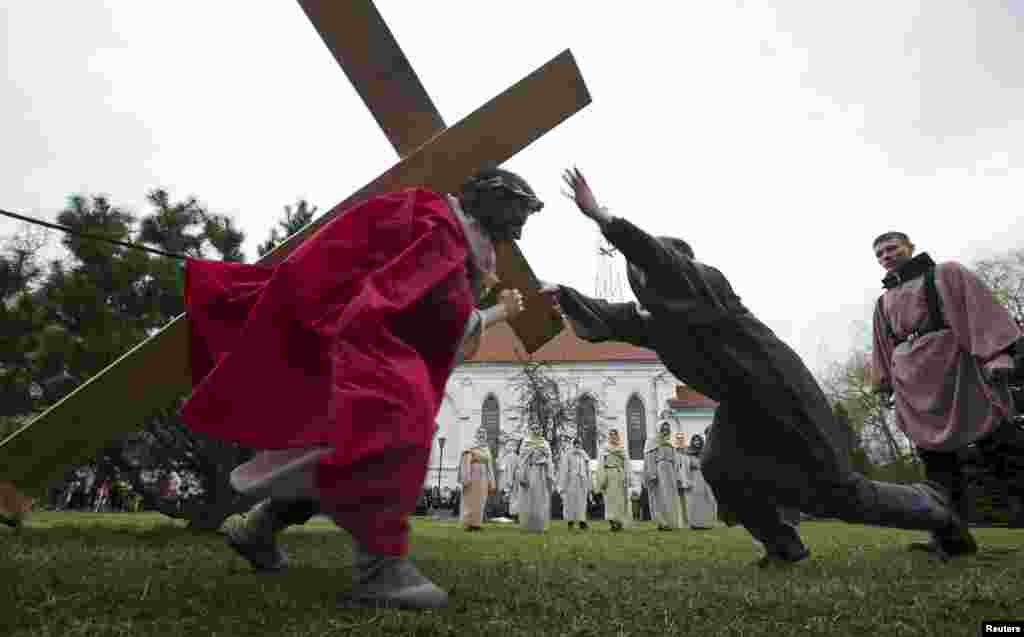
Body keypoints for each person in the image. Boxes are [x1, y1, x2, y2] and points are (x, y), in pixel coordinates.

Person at [543, 167, 975, 565]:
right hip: (742, 403)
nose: (642, 279)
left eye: (647, 267)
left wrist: (601, 216)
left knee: (844, 495)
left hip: (783, 392)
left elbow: (659, 260)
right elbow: (613, 316)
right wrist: (560, 293)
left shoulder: (707, 286)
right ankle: (783, 544)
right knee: (719, 466)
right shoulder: (661, 324)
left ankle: (938, 510)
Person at [182, 166, 541, 609]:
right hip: (366, 356)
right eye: (518, 211)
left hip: (365, 353)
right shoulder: (438, 233)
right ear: (489, 199)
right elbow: (414, 311)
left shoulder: (454, 239)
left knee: (340, 457)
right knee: (389, 433)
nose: (522, 226)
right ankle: (379, 570)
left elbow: (431, 317)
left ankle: (258, 529)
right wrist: (495, 315)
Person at [871, 231, 1024, 548]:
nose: (886, 255)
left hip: (958, 372)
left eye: (892, 248)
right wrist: (884, 384)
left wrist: (999, 354)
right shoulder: (882, 302)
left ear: (909, 248)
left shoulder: (947, 273)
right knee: (938, 469)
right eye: (880, 253)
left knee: (1002, 451)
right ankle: (951, 540)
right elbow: (882, 346)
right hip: (913, 385)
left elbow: (981, 310)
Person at [644, 422, 685, 530]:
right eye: (663, 428)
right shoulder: (652, 442)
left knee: (671, 498)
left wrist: (678, 476)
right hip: (659, 472)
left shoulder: (670, 443)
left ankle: (671, 521)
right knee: (660, 498)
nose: (666, 430)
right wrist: (652, 474)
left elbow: (676, 462)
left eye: (667, 428)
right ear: (659, 429)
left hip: (670, 472)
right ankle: (662, 522)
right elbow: (649, 459)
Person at [515, 430, 555, 532]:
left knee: (541, 498)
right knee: (529, 498)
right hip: (530, 471)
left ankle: (540, 525)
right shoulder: (526, 442)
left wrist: (549, 472)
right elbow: (522, 458)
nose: (537, 431)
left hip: (541, 472)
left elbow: (550, 459)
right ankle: (528, 524)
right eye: (534, 428)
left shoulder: (545, 443)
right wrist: (522, 474)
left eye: (539, 429)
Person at [457, 427, 496, 531]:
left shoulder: (486, 448)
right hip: (473, 475)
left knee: (481, 500)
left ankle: (477, 523)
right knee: (470, 500)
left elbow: (490, 465)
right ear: (476, 434)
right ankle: (468, 523)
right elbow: (466, 462)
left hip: (483, 477)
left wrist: (492, 481)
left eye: (483, 433)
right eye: (479, 433)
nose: (482, 435)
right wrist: (466, 478)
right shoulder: (470, 446)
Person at [593, 428, 632, 531]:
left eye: (615, 434)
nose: (613, 436)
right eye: (611, 435)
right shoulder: (604, 449)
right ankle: (612, 521)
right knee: (610, 500)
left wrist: (627, 477)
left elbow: (627, 464)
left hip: (620, 475)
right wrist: (601, 479)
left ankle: (619, 522)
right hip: (609, 476)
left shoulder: (622, 448)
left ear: (617, 436)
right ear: (609, 437)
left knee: (620, 500)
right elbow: (601, 465)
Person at [680, 434, 717, 529]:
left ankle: (706, 523)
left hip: (705, 478)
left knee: (706, 500)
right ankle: (695, 523)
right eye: (695, 441)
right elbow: (685, 468)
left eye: (698, 440)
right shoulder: (687, 454)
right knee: (694, 501)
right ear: (692, 442)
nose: (697, 442)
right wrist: (687, 480)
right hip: (694, 478)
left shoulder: (705, 453)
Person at [558, 438, 592, 530]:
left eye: (579, 444)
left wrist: (589, 483)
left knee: (582, 502)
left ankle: (582, 521)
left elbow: (587, 469)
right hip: (571, 481)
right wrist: (563, 485)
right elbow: (565, 470)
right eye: (575, 444)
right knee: (571, 501)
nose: (577, 445)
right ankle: (570, 522)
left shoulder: (584, 455)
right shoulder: (568, 454)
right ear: (573, 444)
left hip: (582, 481)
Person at [497, 437, 521, 517]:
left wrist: (509, 483)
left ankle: (512, 514)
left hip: (511, 480)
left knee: (511, 498)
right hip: (508, 479)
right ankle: (510, 514)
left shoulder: (511, 456)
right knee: (510, 498)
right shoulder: (508, 456)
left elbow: (511, 470)